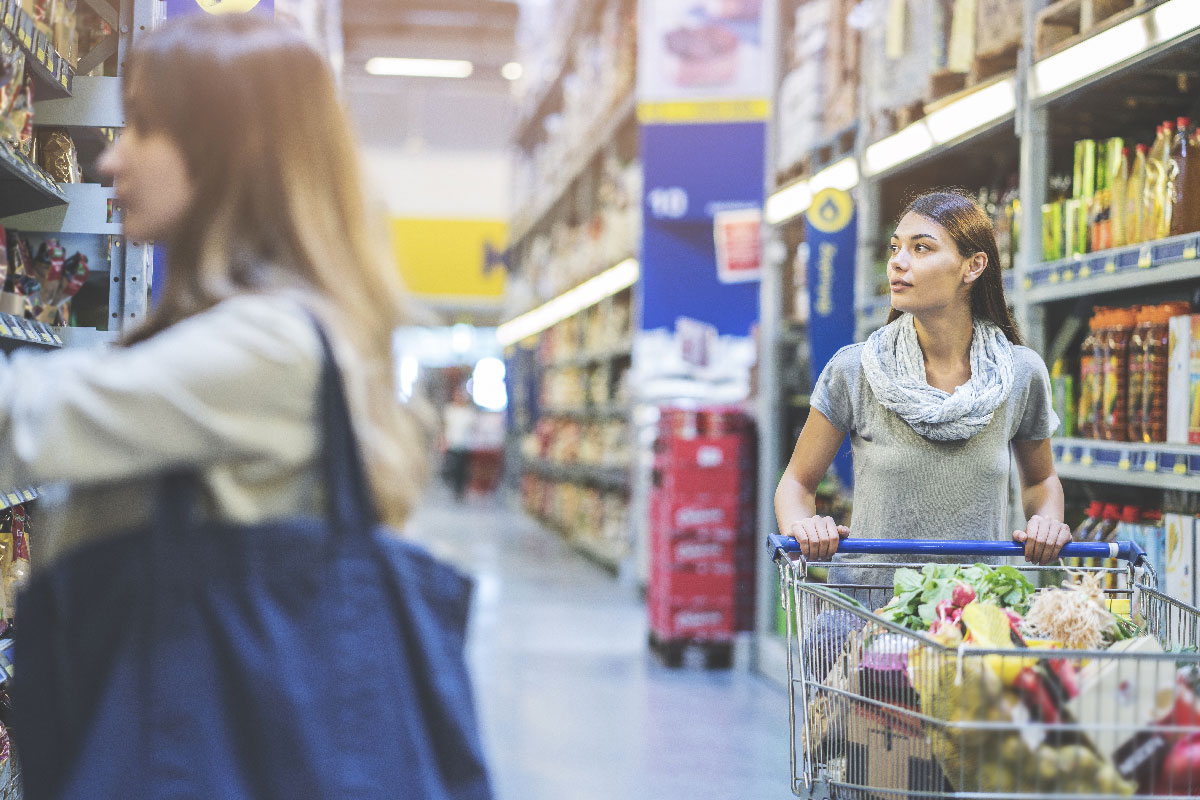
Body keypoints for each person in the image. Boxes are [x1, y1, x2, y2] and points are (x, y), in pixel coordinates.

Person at [0, 14, 497, 799]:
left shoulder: (272, 345)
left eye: (146, 128)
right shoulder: (261, 328)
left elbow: (26, 417)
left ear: (230, 153)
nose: (110, 157)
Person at [775, 190, 1071, 588]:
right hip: (867, 619)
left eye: (921, 248)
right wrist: (804, 527)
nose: (897, 261)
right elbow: (796, 482)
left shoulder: (1020, 374)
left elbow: (1040, 482)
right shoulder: (856, 369)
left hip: (974, 618)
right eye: (896, 247)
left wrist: (1048, 524)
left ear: (973, 266)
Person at [442, 387, 479, 500]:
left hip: (465, 444)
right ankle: (454, 488)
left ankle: (461, 490)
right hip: (452, 443)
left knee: (463, 469)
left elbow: (473, 425)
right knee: (453, 468)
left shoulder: (469, 412)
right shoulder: (449, 410)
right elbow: (445, 426)